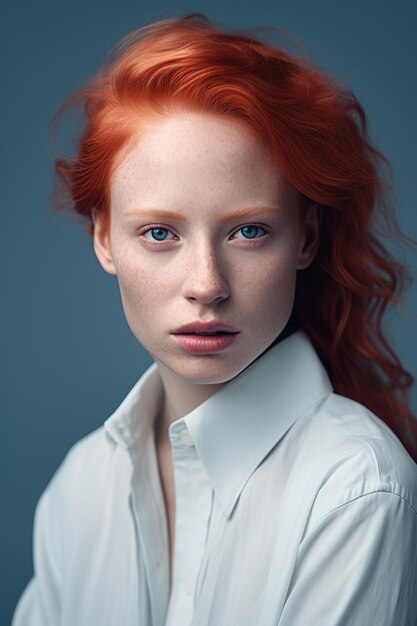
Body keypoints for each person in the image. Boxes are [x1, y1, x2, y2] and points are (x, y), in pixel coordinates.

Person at [12, 12, 417, 626]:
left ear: (306, 239)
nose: (206, 284)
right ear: (103, 238)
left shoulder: (357, 487)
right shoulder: (81, 488)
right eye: (159, 233)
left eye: (249, 231)